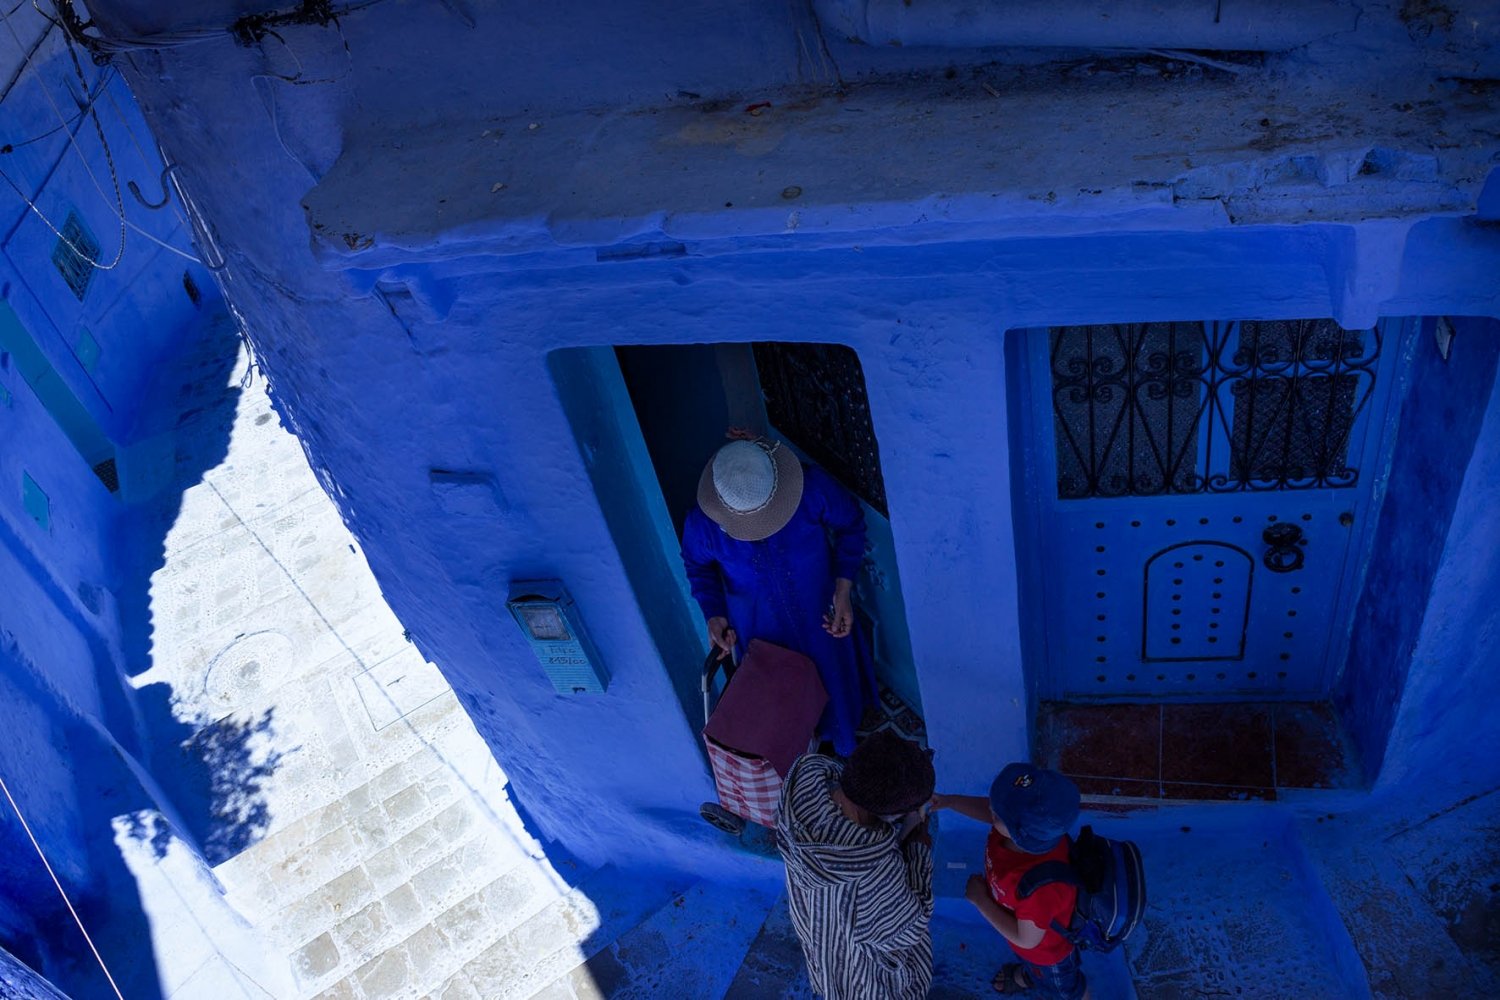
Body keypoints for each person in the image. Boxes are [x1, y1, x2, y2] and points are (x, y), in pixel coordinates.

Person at [681, 431, 876, 756]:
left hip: (821, 621)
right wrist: (713, 613)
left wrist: (843, 587)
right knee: (783, 708)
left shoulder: (811, 488)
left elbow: (851, 525)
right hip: (762, 635)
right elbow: (697, 567)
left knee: (834, 687)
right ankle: (803, 760)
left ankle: (841, 746)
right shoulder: (703, 525)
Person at [776, 731, 936, 1000]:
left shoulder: (806, 776)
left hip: (817, 920)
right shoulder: (876, 873)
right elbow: (910, 927)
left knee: (828, 962)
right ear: (889, 815)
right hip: (861, 974)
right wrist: (918, 849)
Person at [930, 764, 1088, 999]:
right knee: (1029, 965)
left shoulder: (1040, 888)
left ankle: (1049, 983)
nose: (991, 811)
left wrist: (981, 901)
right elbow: (994, 812)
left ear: (1019, 832)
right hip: (1027, 940)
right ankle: (1027, 976)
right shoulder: (1027, 832)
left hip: (1048, 953)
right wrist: (950, 801)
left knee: (1068, 990)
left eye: (996, 813)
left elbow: (1027, 939)